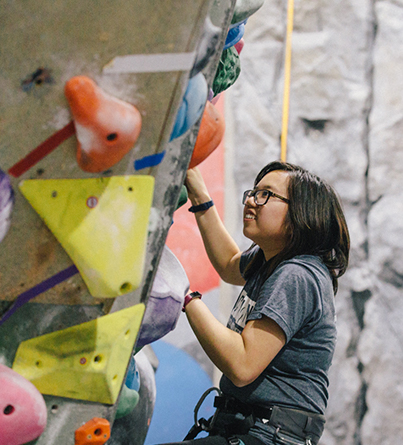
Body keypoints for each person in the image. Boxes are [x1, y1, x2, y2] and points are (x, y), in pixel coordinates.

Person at [157, 161, 350, 445]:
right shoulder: (270, 260)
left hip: (271, 435)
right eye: (253, 192)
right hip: (247, 428)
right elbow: (228, 264)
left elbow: (243, 364)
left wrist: (183, 295)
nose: (251, 200)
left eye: (266, 195)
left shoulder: (297, 274)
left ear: (302, 212)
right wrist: (198, 193)